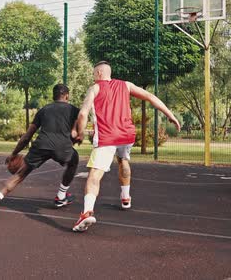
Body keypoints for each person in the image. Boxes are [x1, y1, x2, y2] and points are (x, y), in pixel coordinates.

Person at [71, 61, 181, 232]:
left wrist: (80, 131)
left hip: (108, 137)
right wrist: (171, 115)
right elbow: (151, 97)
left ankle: (86, 213)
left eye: (94, 73)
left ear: (99, 73)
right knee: (123, 160)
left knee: (95, 174)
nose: (93, 76)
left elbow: (83, 112)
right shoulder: (126, 85)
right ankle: (125, 197)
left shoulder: (95, 88)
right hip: (127, 135)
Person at [0, 84, 81, 219]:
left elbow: (27, 136)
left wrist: (14, 153)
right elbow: (76, 134)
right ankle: (61, 196)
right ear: (67, 95)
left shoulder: (44, 110)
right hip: (62, 147)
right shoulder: (75, 111)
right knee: (74, 161)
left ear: (53, 96)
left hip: (41, 146)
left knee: (19, 175)